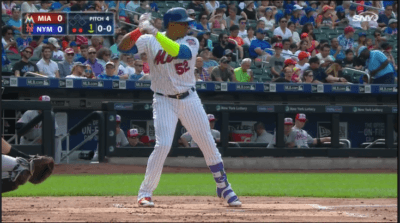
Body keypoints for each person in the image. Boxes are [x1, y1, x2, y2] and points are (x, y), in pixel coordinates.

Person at [117, 9, 241, 207]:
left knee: (207, 142)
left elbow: (178, 52)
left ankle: (224, 186)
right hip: (163, 100)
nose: (187, 25)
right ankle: (145, 192)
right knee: (163, 144)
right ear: (171, 24)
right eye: (183, 22)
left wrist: (154, 32)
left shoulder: (190, 41)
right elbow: (122, 47)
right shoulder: (149, 40)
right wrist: (139, 30)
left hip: (189, 98)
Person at [16, 95, 62, 163]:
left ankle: (56, 164)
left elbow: (54, 129)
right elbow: (18, 126)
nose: (44, 106)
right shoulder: (30, 112)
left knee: (39, 163)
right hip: (26, 141)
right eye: (42, 103)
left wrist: (45, 139)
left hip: (39, 142)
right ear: (38, 103)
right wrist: (29, 126)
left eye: (46, 103)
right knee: (24, 162)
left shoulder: (50, 114)